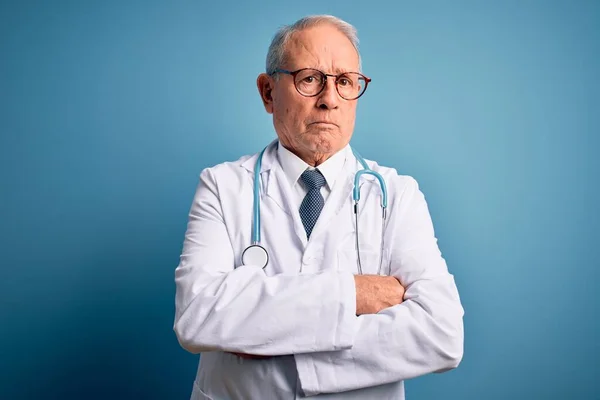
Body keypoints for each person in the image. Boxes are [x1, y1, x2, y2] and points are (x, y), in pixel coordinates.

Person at [173, 14, 464, 400]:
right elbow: (198, 318)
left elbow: (441, 334)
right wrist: (354, 295)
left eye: (345, 82)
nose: (329, 99)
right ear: (267, 92)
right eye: (309, 79)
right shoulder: (223, 186)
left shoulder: (395, 194)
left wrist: (267, 334)